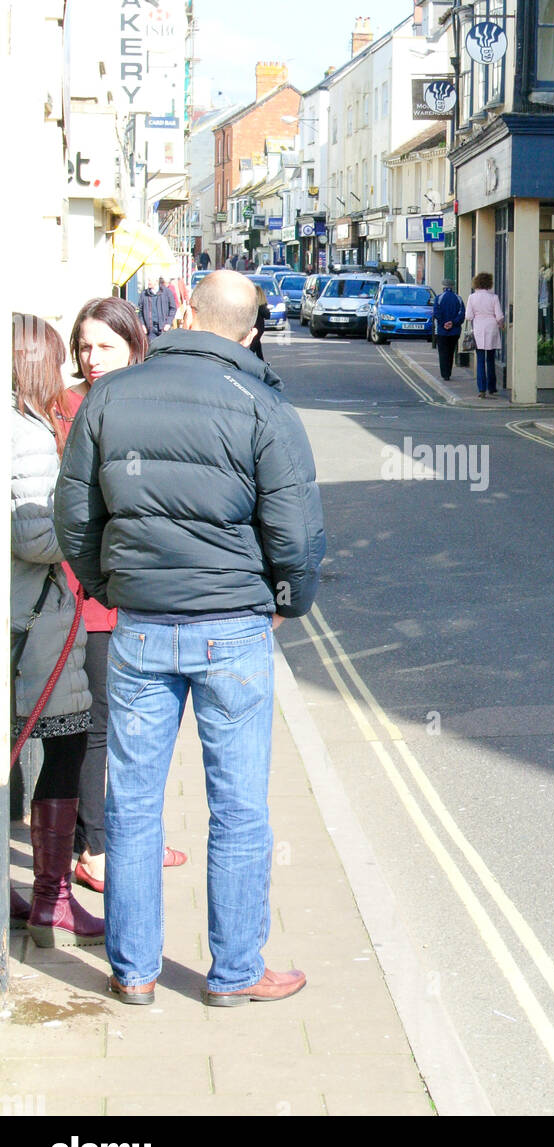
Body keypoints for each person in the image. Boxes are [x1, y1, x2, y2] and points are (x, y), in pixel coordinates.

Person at [55, 271, 326, 1007]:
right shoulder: (264, 405)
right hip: (233, 631)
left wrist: (112, 587)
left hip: (141, 627)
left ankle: (134, 971)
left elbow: (73, 518)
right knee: (238, 806)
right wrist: (284, 603)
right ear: (248, 333)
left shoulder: (109, 397)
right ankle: (235, 974)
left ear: (182, 314)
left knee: (133, 804)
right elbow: (298, 538)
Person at [63, 297, 187, 896]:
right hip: (94, 593)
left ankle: (132, 835)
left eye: (104, 347)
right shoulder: (74, 409)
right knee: (100, 723)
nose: (92, 359)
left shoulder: (141, 405)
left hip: (142, 593)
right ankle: (95, 847)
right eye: (84, 347)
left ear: (135, 348)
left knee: (141, 725)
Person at [11, 313, 103, 948]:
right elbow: (34, 535)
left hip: (28, 617)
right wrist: (90, 517)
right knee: (63, 746)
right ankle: (52, 901)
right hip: (39, 618)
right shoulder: (27, 435)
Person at [465, 272, 504, 398]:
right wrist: (501, 325)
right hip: (491, 327)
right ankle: (492, 387)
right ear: (489, 283)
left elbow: (469, 316)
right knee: (491, 359)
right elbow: (499, 316)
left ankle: (481, 389)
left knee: (480, 360)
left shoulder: (472, 297)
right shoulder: (494, 297)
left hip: (479, 328)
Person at [433, 278, 465, 381]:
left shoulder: (438, 298)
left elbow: (436, 313)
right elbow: (461, 314)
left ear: (443, 287)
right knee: (451, 352)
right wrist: (453, 323)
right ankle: (449, 372)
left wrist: (444, 323)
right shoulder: (458, 299)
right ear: (453, 287)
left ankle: (444, 374)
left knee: (443, 353)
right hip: (454, 331)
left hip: (442, 331)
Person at [138, 276, 177, 345]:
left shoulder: (167, 292)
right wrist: (142, 325)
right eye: (148, 280)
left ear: (156, 281)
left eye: (150, 280)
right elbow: (140, 312)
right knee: (152, 349)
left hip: (163, 328)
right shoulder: (144, 294)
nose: (148, 282)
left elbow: (173, 308)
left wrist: (168, 323)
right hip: (150, 330)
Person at [249, 284, 269, 361]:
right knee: (257, 346)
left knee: (253, 346)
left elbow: (267, 315)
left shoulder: (260, 306)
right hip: (256, 327)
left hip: (257, 327)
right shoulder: (255, 305)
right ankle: (261, 361)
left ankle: (247, 361)